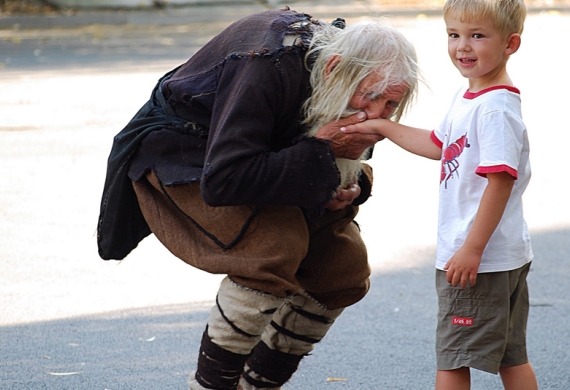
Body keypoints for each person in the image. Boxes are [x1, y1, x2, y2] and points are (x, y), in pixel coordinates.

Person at [96, 7, 420, 390]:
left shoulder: (349, 79)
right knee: (273, 249)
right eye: (371, 99)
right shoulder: (266, 63)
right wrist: (321, 155)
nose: (376, 117)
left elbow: (344, 150)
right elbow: (225, 179)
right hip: (187, 154)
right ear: (334, 69)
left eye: (390, 106)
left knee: (342, 270)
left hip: (270, 160)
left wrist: (353, 185)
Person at [342, 0, 537, 389]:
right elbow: (437, 144)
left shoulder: (494, 109)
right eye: (454, 35)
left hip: (478, 260)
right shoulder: (472, 98)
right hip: (500, 255)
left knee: (452, 359)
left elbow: (500, 182)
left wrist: (471, 249)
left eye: (477, 36)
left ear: (510, 44)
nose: (462, 46)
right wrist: (383, 126)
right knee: (510, 357)